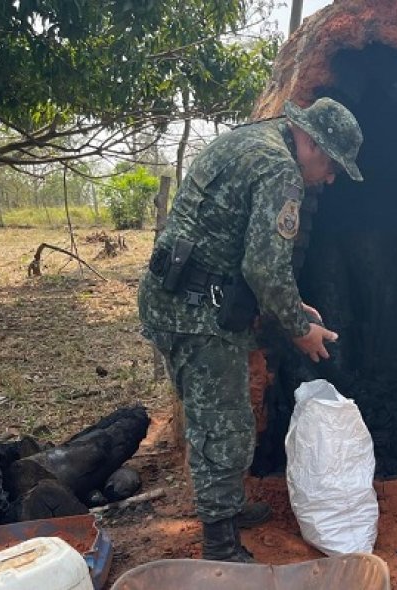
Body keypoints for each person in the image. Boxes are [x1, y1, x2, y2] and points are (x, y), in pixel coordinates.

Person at [138, 97, 364, 562]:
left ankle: (229, 506)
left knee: (225, 415)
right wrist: (301, 329)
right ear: (313, 144)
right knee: (223, 425)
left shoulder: (251, 141)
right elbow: (264, 266)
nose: (330, 177)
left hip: (182, 298)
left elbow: (243, 248)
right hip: (196, 315)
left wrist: (289, 302)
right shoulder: (281, 171)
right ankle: (220, 545)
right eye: (332, 165)